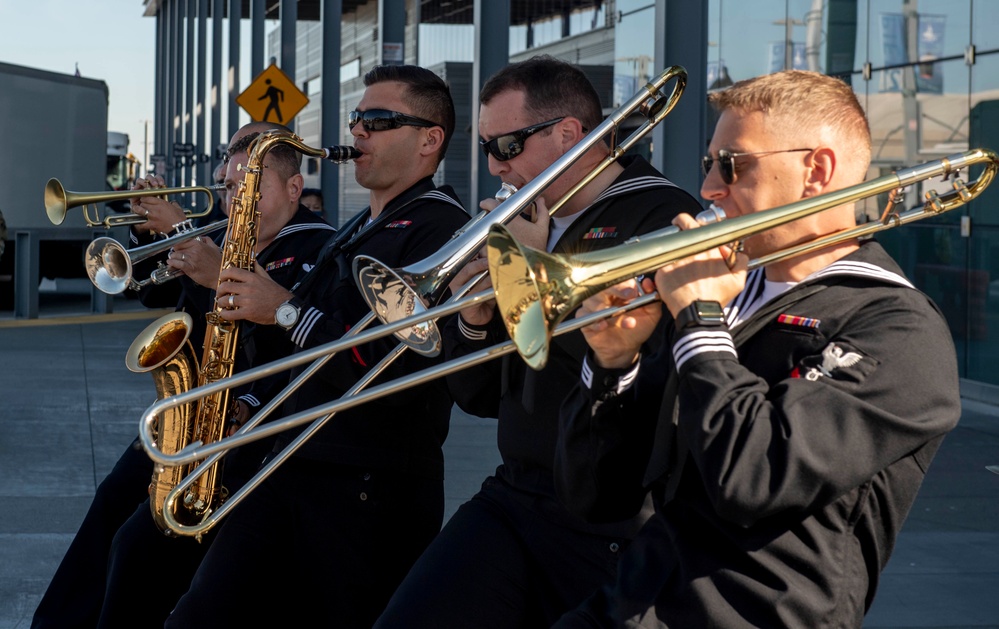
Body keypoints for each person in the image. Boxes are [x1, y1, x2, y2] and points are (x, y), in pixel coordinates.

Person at [552, 70, 962, 627]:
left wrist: (700, 323)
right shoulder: (723, 293)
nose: (710, 189)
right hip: (629, 601)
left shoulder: (898, 328)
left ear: (815, 170)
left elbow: (753, 481)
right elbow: (597, 495)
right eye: (708, 164)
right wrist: (613, 364)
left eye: (733, 165)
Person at [374, 55, 703, 628]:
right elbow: (478, 396)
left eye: (507, 146)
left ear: (569, 134)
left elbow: (643, 371)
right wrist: (473, 317)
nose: (496, 167)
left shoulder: (663, 217)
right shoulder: (529, 218)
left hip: (614, 517)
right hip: (516, 495)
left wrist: (535, 268)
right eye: (485, 148)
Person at [165, 64, 469, 628]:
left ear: (430, 140)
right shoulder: (360, 225)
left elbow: (385, 368)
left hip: (368, 492)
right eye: (358, 119)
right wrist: (247, 404)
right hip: (296, 466)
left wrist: (281, 308)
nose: (358, 132)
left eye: (379, 121)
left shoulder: (443, 230)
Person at [31, 120, 336, 629]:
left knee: (137, 547)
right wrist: (147, 232)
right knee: (111, 504)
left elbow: (269, 335)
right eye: (230, 185)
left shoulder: (316, 248)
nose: (233, 199)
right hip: (186, 412)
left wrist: (184, 237)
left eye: (247, 186)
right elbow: (149, 292)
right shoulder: (224, 230)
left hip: (240, 427)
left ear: (293, 188)